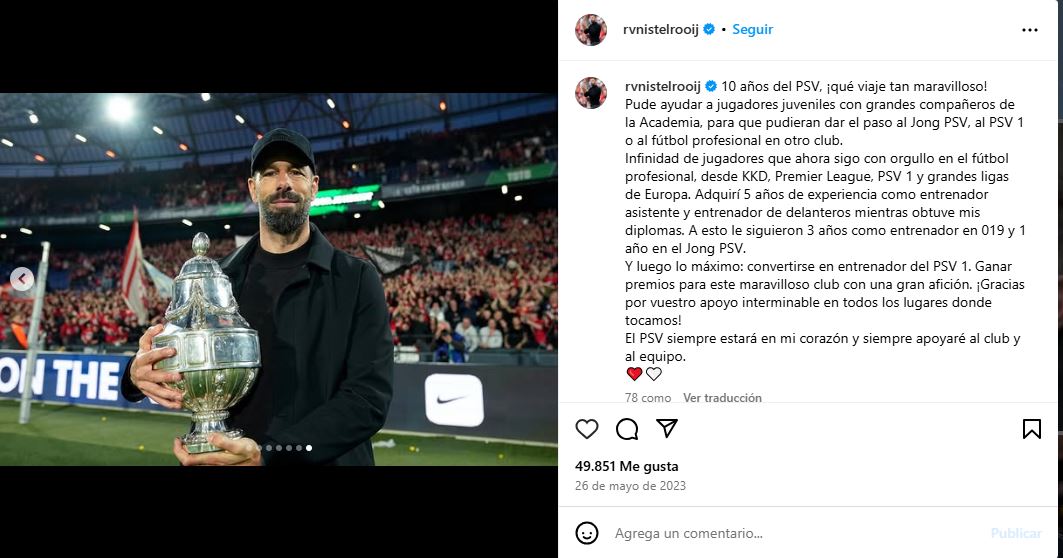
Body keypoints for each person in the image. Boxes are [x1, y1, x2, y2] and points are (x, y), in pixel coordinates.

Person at [120, 128, 394, 466]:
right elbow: (175, 355)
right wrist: (133, 375)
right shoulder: (215, 280)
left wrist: (273, 456)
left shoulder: (356, 279)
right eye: (269, 173)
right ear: (253, 188)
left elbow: (367, 400)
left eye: (295, 171)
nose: (284, 182)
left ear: (314, 185)